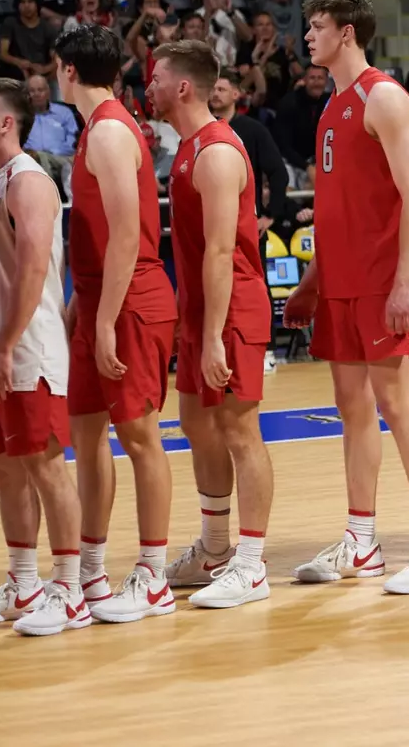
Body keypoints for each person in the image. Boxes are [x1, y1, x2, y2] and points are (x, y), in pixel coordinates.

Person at [283, 0, 409, 594]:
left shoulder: (383, 96)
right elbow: (338, 211)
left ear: (348, 34)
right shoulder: (332, 104)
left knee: (394, 403)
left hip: (384, 279)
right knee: (352, 406)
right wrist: (312, 282)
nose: (309, 36)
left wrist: (404, 282)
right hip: (341, 281)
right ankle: (362, 540)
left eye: (318, 26)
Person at [45, 26, 182, 622]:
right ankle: (91, 572)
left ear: (68, 70)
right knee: (86, 434)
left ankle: (153, 575)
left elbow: (129, 232)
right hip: (101, 298)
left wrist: (102, 321)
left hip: (129, 301)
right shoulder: (99, 126)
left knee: (140, 437)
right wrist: (83, 304)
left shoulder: (105, 131)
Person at [0, 79, 87, 634]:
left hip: (26, 350)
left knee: (46, 469)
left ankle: (70, 591)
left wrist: (6, 346)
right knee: (5, 472)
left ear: (5, 123)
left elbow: (33, 272)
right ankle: (25, 585)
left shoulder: (30, 181)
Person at [150, 41, 275, 608]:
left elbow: (222, 252)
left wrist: (211, 338)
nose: (147, 86)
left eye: (156, 78)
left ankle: (250, 564)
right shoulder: (185, 148)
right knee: (197, 423)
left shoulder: (218, 152)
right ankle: (216, 548)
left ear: (182, 87)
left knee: (240, 431)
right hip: (203, 309)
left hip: (233, 308)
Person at [210, 68, 289, 231]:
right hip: (211, 221)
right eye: (212, 89)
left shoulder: (254, 130)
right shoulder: (202, 129)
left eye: (221, 89)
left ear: (236, 94)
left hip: (247, 222)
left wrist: (270, 215)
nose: (215, 94)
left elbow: (278, 173)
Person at [1, 0, 60, 80]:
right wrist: (19, 62)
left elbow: (56, 58)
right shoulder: (10, 23)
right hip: (16, 71)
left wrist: (44, 69)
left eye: (30, 1)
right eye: (23, 2)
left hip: (41, 71)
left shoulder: (47, 27)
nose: (26, 5)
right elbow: (3, 53)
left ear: (37, 4)